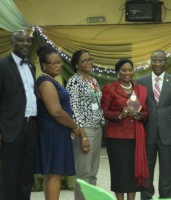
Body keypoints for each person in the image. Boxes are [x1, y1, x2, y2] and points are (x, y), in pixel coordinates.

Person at [0, 29, 38, 200]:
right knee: (9, 176)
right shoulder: (0, 66)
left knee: (26, 175)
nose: (25, 44)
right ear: (11, 43)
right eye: (21, 40)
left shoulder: (31, 66)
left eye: (28, 40)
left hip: (31, 126)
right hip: (10, 129)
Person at [35, 46, 81, 200]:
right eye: (53, 63)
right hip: (53, 132)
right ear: (44, 65)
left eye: (59, 62)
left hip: (57, 131)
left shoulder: (51, 80)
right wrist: (74, 126)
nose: (58, 65)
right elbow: (56, 111)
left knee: (53, 173)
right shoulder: (46, 83)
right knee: (55, 173)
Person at [136, 50, 171, 199]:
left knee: (166, 170)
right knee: (147, 170)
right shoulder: (141, 81)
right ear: (150, 62)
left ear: (166, 62)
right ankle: (147, 196)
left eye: (161, 60)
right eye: (154, 60)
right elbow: (137, 107)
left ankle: (165, 196)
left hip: (167, 134)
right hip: (147, 133)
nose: (157, 63)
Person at [101, 58, 149, 200]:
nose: (128, 73)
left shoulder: (140, 89)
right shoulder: (110, 88)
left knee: (133, 172)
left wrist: (139, 115)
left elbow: (146, 111)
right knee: (119, 173)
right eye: (124, 70)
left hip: (136, 137)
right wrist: (120, 114)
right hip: (117, 138)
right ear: (118, 72)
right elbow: (104, 111)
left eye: (130, 70)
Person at [66, 49, 105, 200]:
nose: (88, 63)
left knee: (93, 172)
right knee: (83, 173)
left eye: (90, 59)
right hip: (85, 130)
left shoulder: (93, 81)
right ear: (76, 65)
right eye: (84, 61)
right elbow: (74, 110)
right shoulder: (74, 81)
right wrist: (82, 136)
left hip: (97, 128)